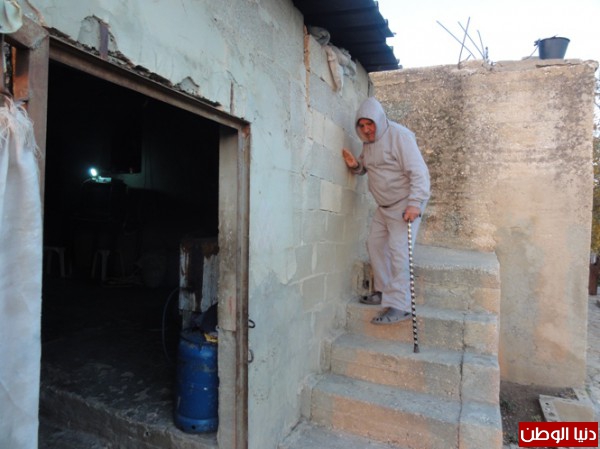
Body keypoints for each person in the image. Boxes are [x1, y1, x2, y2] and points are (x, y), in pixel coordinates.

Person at [342, 97, 430, 325]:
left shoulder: (400, 136)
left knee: (399, 252)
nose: (366, 129)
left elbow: (419, 172)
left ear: (379, 120)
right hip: (384, 206)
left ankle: (401, 306)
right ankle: (383, 291)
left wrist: (414, 203)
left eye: (369, 124)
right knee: (375, 245)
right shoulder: (368, 143)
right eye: (361, 126)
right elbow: (368, 168)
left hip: (404, 204)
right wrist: (355, 166)